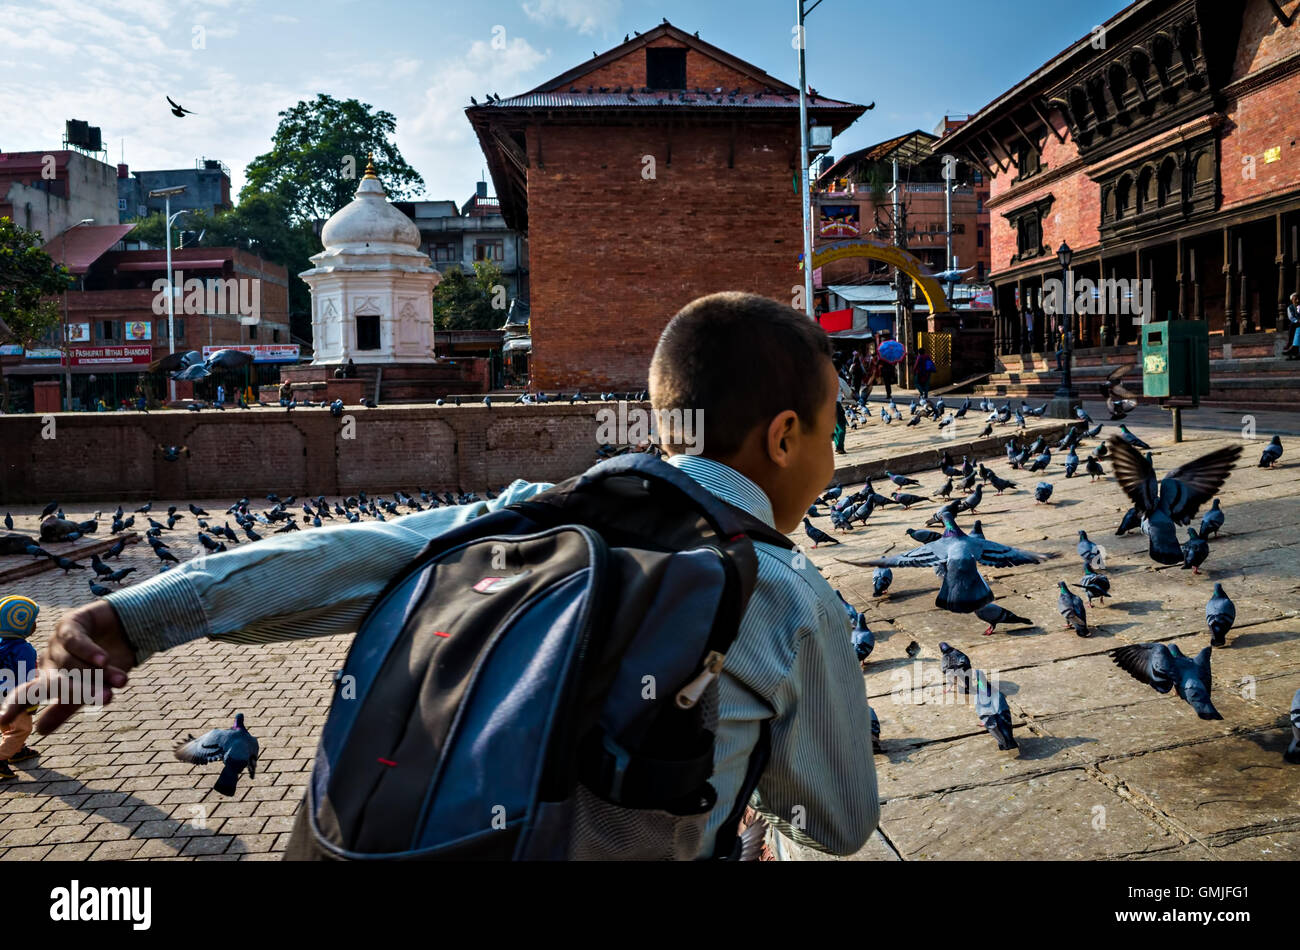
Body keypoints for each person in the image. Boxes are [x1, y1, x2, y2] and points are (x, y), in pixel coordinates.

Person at [5, 292, 880, 860]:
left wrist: (131, 620)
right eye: (832, 429)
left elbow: (344, 555)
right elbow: (837, 822)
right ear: (782, 438)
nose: (833, 458)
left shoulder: (529, 512)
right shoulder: (790, 597)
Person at [0, 596, 41, 782]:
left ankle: (16, 750)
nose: (35, 624)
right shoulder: (24, 650)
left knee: (7, 726)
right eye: (33, 621)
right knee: (22, 728)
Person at [1284, 292, 1300, 360]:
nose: (1297, 300)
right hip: (1295, 322)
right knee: (1293, 325)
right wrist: (1297, 321)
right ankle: (1291, 343)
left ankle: (1294, 348)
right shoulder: (1290, 307)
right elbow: (1291, 317)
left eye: (1298, 299)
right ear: (1292, 300)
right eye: (1295, 299)